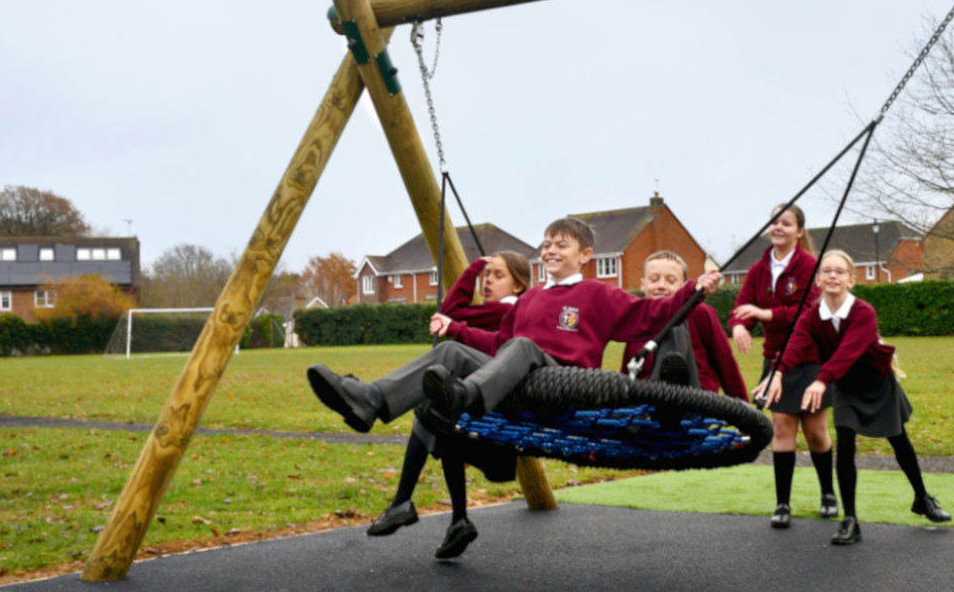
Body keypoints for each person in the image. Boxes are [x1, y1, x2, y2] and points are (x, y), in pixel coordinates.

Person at [306, 217, 722, 559]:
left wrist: (695, 289)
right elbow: (500, 349)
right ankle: (370, 401)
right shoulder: (529, 300)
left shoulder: (599, 294)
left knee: (523, 347)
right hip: (516, 388)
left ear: (586, 255)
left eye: (562, 245)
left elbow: (654, 314)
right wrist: (457, 329)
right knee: (451, 352)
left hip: (565, 388)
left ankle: (464, 398)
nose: (551, 251)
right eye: (546, 244)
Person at [762, 249, 951, 545]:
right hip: (845, 386)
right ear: (818, 280)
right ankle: (850, 519)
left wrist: (821, 380)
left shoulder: (863, 312)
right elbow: (794, 344)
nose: (832, 275)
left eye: (839, 271)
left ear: (851, 279)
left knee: (899, 439)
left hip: (877, 383)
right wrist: (778, 373)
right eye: (826, 271)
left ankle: (922, 498)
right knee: (846, 442)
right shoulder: (813, 315)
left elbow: (848, 351)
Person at [730, 204, 834, 527]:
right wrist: (738, 325)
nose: (778, 228)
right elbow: (740, 306)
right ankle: (783, 503)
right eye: (774, 222)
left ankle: (828, 493)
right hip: (775, 358)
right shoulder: (758, 269)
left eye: (786, 223)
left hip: (810, 359)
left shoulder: (809, 267)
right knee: (782, 428)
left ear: (799, 232)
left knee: (816, 433)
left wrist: (766, 315)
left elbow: (807, 314)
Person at [621, 251, 749, 401]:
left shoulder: (701, 314)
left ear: (683, 286)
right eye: (654, 279)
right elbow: (629, 367)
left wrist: (743, 408)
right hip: (647, 405)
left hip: (696, 401)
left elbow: (725, 362)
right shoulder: (638, 319)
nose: (661, 286)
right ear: (643, 285)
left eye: (671, 280)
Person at [432, 250, 532, 334]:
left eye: (499, 276)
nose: (488, 280)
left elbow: (449, 313)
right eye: (487, 274)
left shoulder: (504, 310)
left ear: (518, 286)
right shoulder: (520, 309)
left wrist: (473, 269)